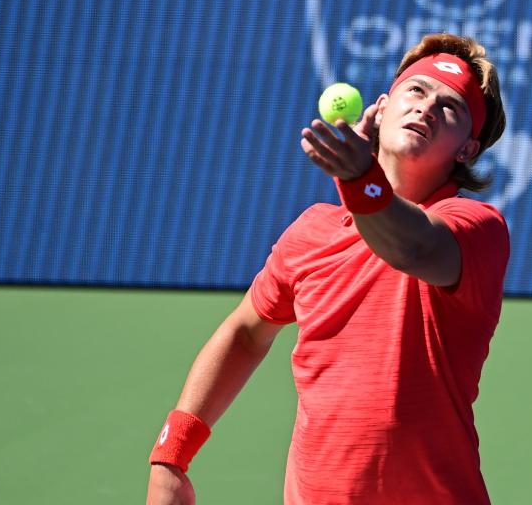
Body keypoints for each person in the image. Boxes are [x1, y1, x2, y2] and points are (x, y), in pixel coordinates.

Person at [146, 33, 510, 504]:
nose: (427, 107)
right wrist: (172, 455)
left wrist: (362, 180)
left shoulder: (477, 228)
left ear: (466, 150)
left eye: (451, 108)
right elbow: (246, 332)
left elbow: (413, 247)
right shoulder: (312, 232)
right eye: (416, 91)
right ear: (381, 108)